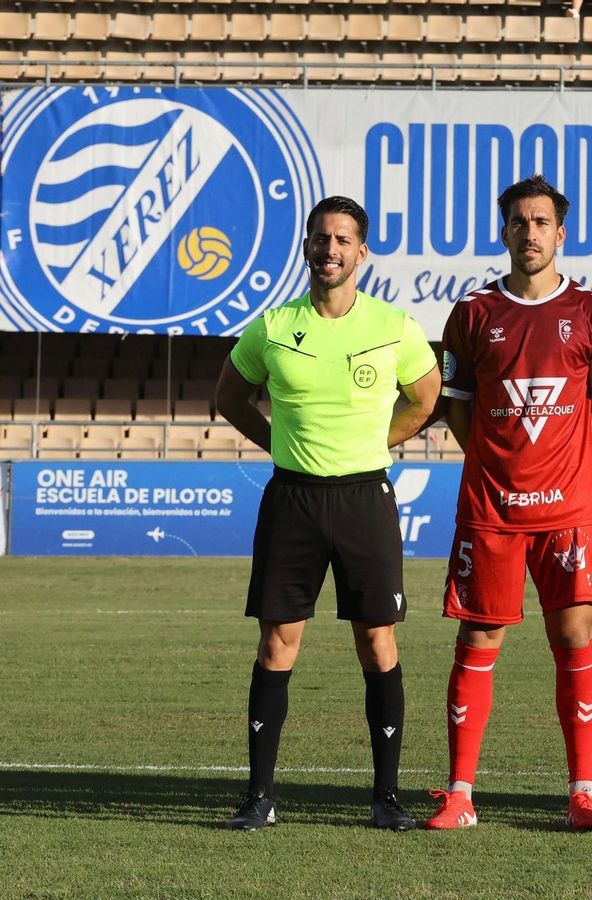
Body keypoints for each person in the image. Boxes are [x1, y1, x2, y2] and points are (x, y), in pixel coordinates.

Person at [215, 196, 441, 832]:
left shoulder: (394, 325)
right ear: (307, 246)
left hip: (365, 497)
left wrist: (376, 445)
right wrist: (277, 445)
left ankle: (386, 797)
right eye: (321, 238)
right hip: (293, 499)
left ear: (362, 252)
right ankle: (260, 797)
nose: (331, 249)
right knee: (277, 642)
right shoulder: (274, 326)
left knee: (377, 641)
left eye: (343, 239)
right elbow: (230, 395)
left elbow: (426, 400)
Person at [423, 176, 592, 832]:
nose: (530, 232)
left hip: (567, 511)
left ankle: (582, 793)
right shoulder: (473, 314)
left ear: (560, 233)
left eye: (542, 222)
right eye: (519, 221)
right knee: (478, 637)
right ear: (504, 231)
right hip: (491, 510)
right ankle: (460, 795)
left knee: (574, 635)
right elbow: (456, 408)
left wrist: (572, 471)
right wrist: (495, 459)